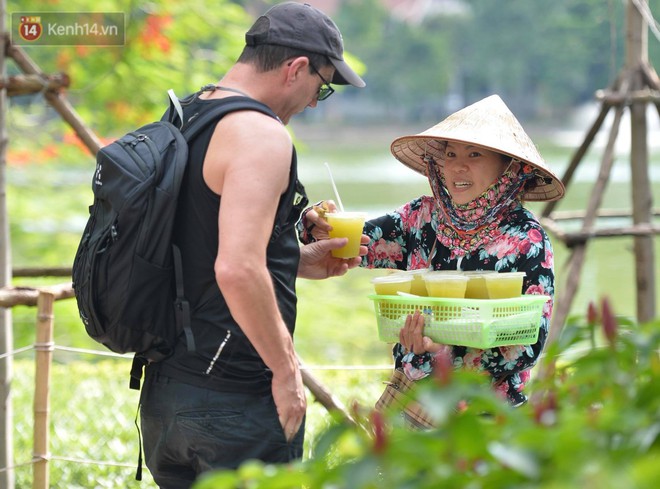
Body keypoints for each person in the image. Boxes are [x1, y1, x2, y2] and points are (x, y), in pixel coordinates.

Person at [138, 3, 366, 487]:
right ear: (296, 68)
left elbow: (196, 241)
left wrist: (294, 261)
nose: (311, 104)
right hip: (235, 399)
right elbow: (237, 269)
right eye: (321, 87)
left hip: (165, 395)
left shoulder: (185, 115)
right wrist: (286, 373)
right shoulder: (261, 134)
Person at [299, 95, 565, 410]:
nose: (457, 166)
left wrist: (439, 356)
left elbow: (528, 343)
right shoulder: (421, 218)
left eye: (474, 153)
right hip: (412, 401)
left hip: (486, 413)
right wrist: (316, 224)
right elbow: (355, 244)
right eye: (450, 154)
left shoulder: (527, 240)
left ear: (509, 166)